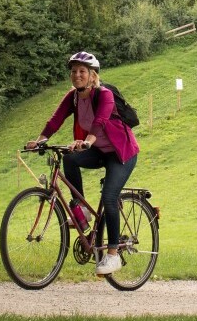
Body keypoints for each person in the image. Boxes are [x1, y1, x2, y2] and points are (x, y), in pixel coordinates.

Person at [30, 51, 140, 276]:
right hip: (99, 151)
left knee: (109, 196)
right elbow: (55, 119)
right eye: (73, 71)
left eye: (82, 71)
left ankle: (112, 255)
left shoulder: (105, 95)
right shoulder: (72, 97)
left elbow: (100, 122)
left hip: (122, 154)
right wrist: (40, 140)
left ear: (92, 75)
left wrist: (87, 141)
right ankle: (81, 210)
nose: (77, 75)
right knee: (69, 157)